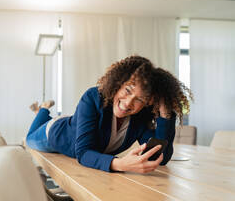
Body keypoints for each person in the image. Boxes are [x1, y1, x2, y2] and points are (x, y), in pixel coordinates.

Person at [26, 55, 192, 173]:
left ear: (148, 102)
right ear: (118, 84)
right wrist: (120, 164)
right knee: (30, 138)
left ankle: (42, 111)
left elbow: (160, 158)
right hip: (56, 133)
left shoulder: (141, 116)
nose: (128, 103)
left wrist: (165, 114)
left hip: (75, 124)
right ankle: (43, 109)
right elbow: (83, 153)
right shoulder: (93, 97)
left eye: (139, 99)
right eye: (127, 90)